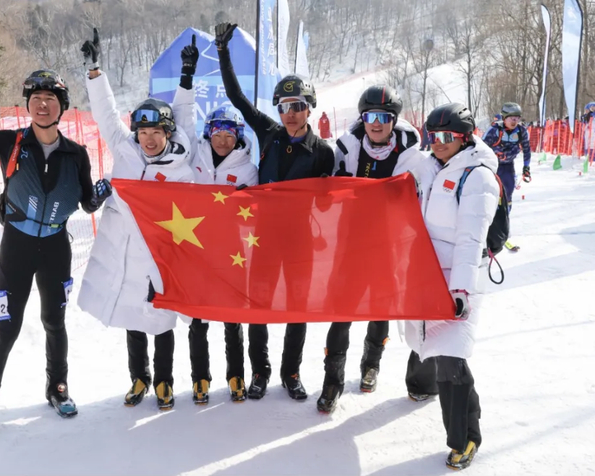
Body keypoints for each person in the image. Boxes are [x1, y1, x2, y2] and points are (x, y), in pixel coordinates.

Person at [0, 72, 110, 442]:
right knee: (6, 329)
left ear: (62, 107)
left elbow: (85, 202)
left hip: (56, 248)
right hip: (16, 248)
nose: (42, 104)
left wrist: (98, 196)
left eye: (50, 99)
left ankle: (58, 387)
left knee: (54, 322)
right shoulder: (9, 141)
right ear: (28, 105)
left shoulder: (76, 153)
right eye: (36, 99)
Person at [215, 22, 334, 401]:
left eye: (297, 106)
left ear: (309, 108)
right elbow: (237, 99)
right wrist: (223, 52)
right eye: (284, 107)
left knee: (298, 309)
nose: (290, 114)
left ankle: (291, 372)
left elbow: (326, 204)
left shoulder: (323, 152)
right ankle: (260, 371)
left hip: (300, 241)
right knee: (259, 306)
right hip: (263, 238)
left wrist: (326, 191)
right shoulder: (268, 134)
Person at [77, 28, 195, 411]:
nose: (149, 139)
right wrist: (95, 72)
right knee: (132, 319)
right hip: (125, 254)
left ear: (167, 133)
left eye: (156, 132)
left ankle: (164, 382)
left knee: (161, 321)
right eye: (143, 132)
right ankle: (139, 378)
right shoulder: (125, 150)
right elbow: (106, 115)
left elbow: (185, 114)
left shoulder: (181, 165)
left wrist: (187, 79)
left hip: (160, 258)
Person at [316, 85, 425, 413]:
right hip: (351, 241)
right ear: (362, 118)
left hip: (388, 243)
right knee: (343, 310)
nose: (376, 124)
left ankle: (371, 364)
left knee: (380, 307)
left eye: (383, 118)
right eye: (370, 117)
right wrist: (324, 187)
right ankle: (332, 380)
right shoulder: (348, 148)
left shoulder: (411, 153)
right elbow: (329, 190)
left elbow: (424, 197)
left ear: (394, 120)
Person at [405, 103, 499, 471]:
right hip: (426, 272)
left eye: (447, 136)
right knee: (423, 337)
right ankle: (421, 385)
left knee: (451, 357)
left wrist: (460, 290)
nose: (438, 142)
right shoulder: (429, 166)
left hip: (459, 277)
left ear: (465, 137)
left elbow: (470, 239)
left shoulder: (477, 177)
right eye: (433, 136)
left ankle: (466, 437)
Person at [171, 35, 258, 404]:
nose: (223, 139)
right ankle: (200, 378)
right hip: (195, 246)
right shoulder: (195, 154)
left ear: (238, 136)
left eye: (230, 133)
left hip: (231, 252)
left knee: (231, 316)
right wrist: (186, 75)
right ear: (209, 133)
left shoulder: (248, 169)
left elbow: (257, 212)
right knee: (197, 318)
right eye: (217, 132)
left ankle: (236, 375)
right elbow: (182, 118)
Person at [482, 102, 530, 251]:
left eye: (517, 118)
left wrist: (526, 167)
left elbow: (527, 149)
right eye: (511, 118)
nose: (515, 121)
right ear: (504, 118)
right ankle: (486, 227)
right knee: (490, 196)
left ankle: (503, 227)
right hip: (492, 167)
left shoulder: (521, 131)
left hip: (508, 168)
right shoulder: (494, 130)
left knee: (507, 198)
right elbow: (482, 148)